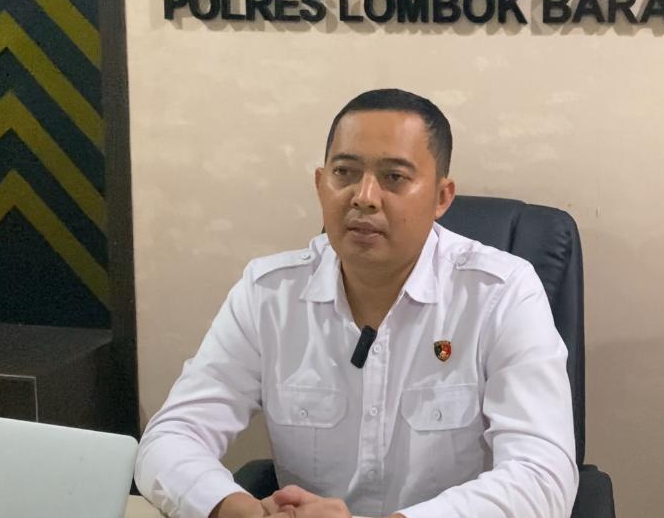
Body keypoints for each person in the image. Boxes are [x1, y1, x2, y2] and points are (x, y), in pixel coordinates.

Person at [136, 89, 578, 518]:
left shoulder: (500, 293)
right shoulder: (269, 294)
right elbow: (172, 436)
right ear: (320, 184)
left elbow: (542, 476)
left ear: (442, 197)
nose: (364, 196)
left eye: (394, 177)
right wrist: (234, 509)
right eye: (345, 173)